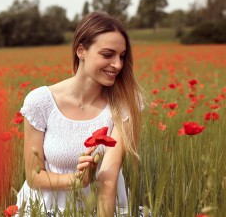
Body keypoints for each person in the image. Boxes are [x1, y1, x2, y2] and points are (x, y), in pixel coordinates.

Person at [15, 11, 144, 216]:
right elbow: (33, 176)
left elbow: (108, 178)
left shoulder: (124, 103)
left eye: (122, 56)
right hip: (46, 209)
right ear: (81, 51)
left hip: (101, 209)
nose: (118, 64)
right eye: (108, 54)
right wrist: (76, 180)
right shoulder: (41, 101)